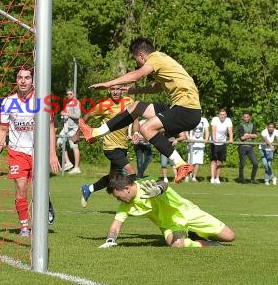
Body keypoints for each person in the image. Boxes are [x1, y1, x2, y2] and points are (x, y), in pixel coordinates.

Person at [82, 38, 201, 184]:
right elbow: (156, 87)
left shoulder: (155, 58)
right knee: (136, 107)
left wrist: (109, 84)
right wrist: (135, 90)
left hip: (187, 109)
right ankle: (95, 132)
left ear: (141, 55)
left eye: (135, 60)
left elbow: (138, 74)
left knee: (146, 128)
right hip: (184, 108)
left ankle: (180, 164)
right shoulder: (164, 62)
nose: (136, 63)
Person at [0, 67, 60, 237]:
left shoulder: (42, 101)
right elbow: (3, 130)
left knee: (38, 188)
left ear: (33, 80)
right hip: (17, 151)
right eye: (20, 77)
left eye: (27, 77)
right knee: (21, 187)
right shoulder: (8, 102)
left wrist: (52, 154)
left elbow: (51, 128)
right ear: (16, 80)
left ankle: (46, 200)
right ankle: (24, 227)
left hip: (39, 151)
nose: (23, 81)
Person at [99, 175, 236, 248]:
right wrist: (110, 240)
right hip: (170, 224)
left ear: (127, 189)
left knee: (230, 236)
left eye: (118, 196)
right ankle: (204, 243)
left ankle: (195, 232)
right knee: (177, 245)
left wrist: (158, 190)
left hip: (188, 212)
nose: (119, 200)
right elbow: (116, 224)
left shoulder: (146, 183)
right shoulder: (126, 204)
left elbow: (162, 183)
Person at [76, 85, 144, 207]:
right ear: (109, 91)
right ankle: (134, 201)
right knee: (131, 172)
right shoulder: (103, 105)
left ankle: (89, 189)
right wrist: (78, 134)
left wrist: (136, 132)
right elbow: (85, 117)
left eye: (118, 89)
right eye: (113, 89)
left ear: (122, 90)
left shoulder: (129, 102)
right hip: (110, 147)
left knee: (113, 178)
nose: (115, 92)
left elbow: (135, 119)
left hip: (123, 146)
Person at [57, 89, 81, 174]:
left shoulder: (76, 103)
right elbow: (64, 113)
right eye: (67, 94)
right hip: (66, 127)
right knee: (59, 142)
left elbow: (78, 116)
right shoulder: (67, 103)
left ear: (74, 94)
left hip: (73, 128)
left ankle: (77, 168)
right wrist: (62, 113)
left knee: (74, 146)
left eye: (70, 94)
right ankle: (68, 162)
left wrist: (67, 114)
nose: (69, 96)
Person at [210, 108, 233, 184]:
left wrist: (231, 139)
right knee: (214, 161)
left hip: (222, 142)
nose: (222, 116)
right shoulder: (215, 119)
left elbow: (230, 131)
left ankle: (217, 178)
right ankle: (212, 178)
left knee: (220, 161)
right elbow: (213, 129)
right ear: (218, 115)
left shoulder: (228, 120)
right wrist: (214, 139)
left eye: (224, 115)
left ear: (226, 115)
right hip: (214, 142)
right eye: (221, 115)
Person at [185, 116, 209, 182]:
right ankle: (187, 176)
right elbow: (186, 129)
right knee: (190, 162)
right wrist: (188, 138)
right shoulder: (191, 118)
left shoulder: (204, 120)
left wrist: (206, 139)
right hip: (192, 143)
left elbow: (207, 130)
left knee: (198, 162)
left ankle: (194, 177)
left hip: (200, 143)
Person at [237, 111, 259, 184]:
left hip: (250, 147)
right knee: (242, 164)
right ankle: (241, 178)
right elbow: (242, 138)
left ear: (250, 117)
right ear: (242, 117)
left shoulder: (253, 125)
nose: (246, 118)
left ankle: (252, 179)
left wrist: (247, 135)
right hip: (242, 146)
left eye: (247, 117)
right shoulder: (240, 125)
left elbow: (255, 136)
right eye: (244, 117)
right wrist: (250, 135)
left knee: (255, 163)